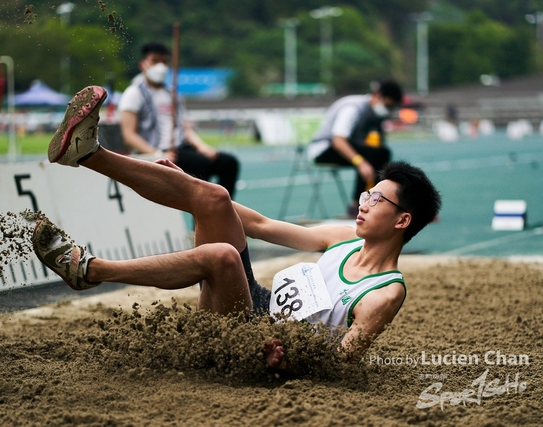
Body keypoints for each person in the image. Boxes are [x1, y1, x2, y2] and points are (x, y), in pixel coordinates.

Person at [37, 85, 441, 369]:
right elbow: (263, 225)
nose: (363, 202)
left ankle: (90, 271)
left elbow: (340, 363)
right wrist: (192, 189)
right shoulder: (344, 238)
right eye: (367, 193)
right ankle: (88, 153)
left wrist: (286, 360)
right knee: (213, 196)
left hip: (262, 346)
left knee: (223, 256)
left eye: (377, 200)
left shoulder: (385, 293)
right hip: (253, 303)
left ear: (403, 220)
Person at [117, 42, 240, 199]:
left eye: (165, 62)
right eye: (155, 61)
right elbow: (129, 135)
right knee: (201, 164)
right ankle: (205, 217)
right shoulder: (134, 94)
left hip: (182, 149)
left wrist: (203, 146)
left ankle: (225, 213)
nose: (160, 66)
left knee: (229, 163)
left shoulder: (172, 93)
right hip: (156, 151)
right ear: (143, 64)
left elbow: (185, 128)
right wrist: (156, 153)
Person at [308, 80, 404, 217]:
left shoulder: (377, 115)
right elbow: (338, 141)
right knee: (370, 155)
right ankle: (357, 206)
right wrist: (360, 162)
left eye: (391, 108)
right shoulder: (353, 108)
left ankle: (376, 201)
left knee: (382, 152)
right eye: (387, 106)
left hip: (350, 149)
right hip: (323, 149)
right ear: (377, 95)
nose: (388, 110)